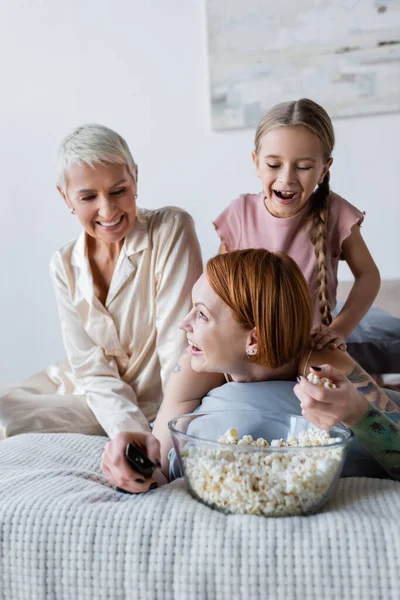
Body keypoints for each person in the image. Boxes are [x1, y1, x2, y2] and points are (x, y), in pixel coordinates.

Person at [0, 124, 203, 491]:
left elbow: (179, 348)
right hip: (88, 388)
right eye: (88, 196)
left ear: (135, 178)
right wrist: (131, 428)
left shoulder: (171, 228)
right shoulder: (63, 264)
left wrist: (149, 441)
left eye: (118, 191)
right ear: (66, 198)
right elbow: (91, 370)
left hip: (157, 400)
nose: (107, 209)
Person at [102, 249, 400, 491]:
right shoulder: (194, 366)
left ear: (253, 339)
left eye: (202, 315)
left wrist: (357, 412)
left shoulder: (321, 362)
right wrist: (134, 465)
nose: (184, 323)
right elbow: (160, 469)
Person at [213, 98, 381, 353]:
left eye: (303, 167)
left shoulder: (335, 212)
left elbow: (368, 276)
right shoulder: (240, 214)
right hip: (249, 351)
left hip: (310, 350)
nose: (287, 178)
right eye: (274, 165)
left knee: (363, 390)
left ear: (324, 169)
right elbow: (217, 287)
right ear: (256, 162)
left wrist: (339, 329)